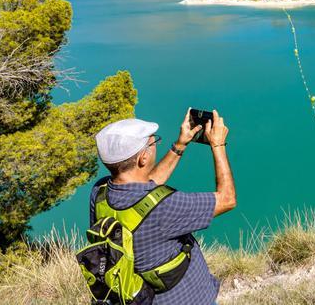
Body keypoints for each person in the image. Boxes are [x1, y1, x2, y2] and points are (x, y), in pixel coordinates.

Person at [91, 108, 235, 304]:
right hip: (187, 299)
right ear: (143, 158)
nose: (155, 145)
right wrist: (218, 144)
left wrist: (179, 146)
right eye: (153, 142)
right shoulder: (165, 206)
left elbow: (145, 189)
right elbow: (227, 199)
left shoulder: (100, 192)